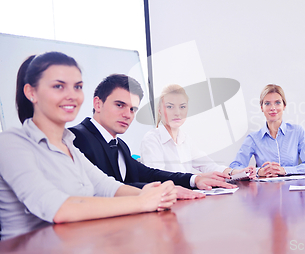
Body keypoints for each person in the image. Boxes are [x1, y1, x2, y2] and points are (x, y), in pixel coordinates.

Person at [0, 52, 177, 239]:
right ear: (31, 92)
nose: (71, 95)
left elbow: (107, 186)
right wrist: (143, 201)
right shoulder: (10, 143)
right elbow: (59, 209)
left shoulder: (69, 145)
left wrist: (156, 195)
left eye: (77, 87)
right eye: (58, 86)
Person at [70, 75, 235, 196]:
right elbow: (104, 189)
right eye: (120, 105)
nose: (128, 114)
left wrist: (193, 180)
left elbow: (149, 174)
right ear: (98, 104)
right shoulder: (75, 138)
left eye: (133, 109)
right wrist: (164, 190)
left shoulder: (120, 146)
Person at [140, 84, 255, 178]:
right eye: (170, 107)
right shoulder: (152, 139)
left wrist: (233, 172)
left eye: (182, 107)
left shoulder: (185, 139)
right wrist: (198, 177)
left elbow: (208, 165)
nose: (177, 112)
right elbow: (157, 177)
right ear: (159, 110)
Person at [230, 84, 305, 177]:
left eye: (277, 103)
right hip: (266, 189)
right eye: (267, 103)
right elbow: (234, 167)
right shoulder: (253, 138)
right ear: (261, 108)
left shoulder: (297, 131)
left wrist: (284, 170)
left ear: (284, 105)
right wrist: (258, 171)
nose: (272, 108)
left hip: (291, 188)